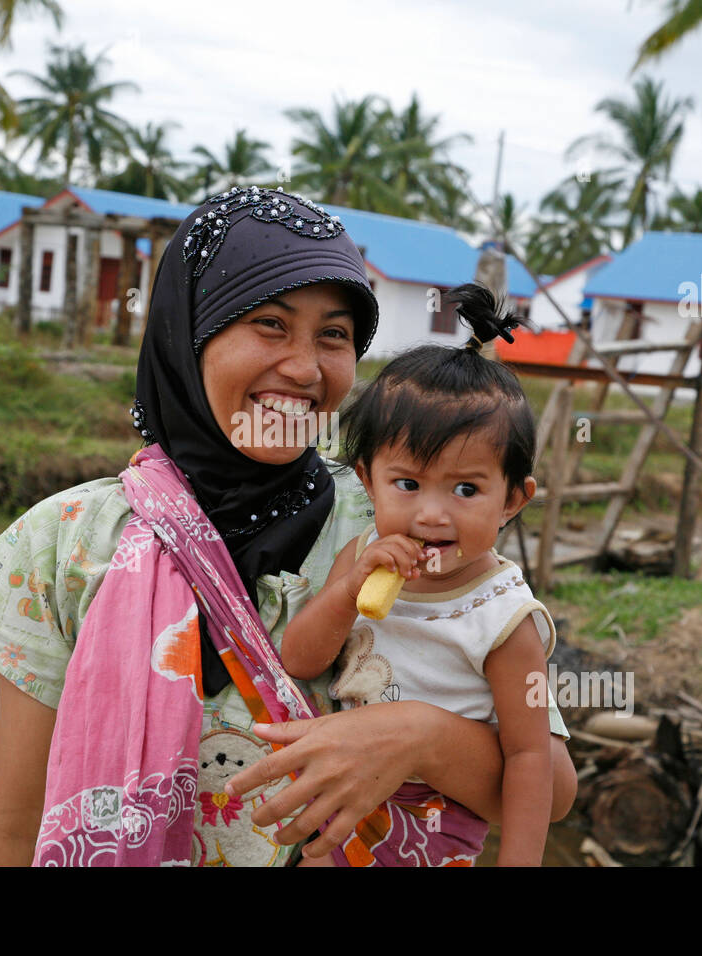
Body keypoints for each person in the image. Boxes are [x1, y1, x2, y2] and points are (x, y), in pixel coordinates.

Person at [0, 185, 576, 867]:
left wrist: (418, 735)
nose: (305, 368)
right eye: (270, 324)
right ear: (189, 332)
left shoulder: (397, 526)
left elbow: (551, 787)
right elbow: (15, 822)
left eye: (334, 335)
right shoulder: (64, 543)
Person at [280, 282, 557, 866]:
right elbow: (300, 660)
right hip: (340, 799)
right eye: (407, 484)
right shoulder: (361, 555)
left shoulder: (505, 618)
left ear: (512, 499)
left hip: (435, 822)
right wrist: (347, 591)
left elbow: (532, 759)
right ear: (367, 479)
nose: (432, 514)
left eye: (466, 489)